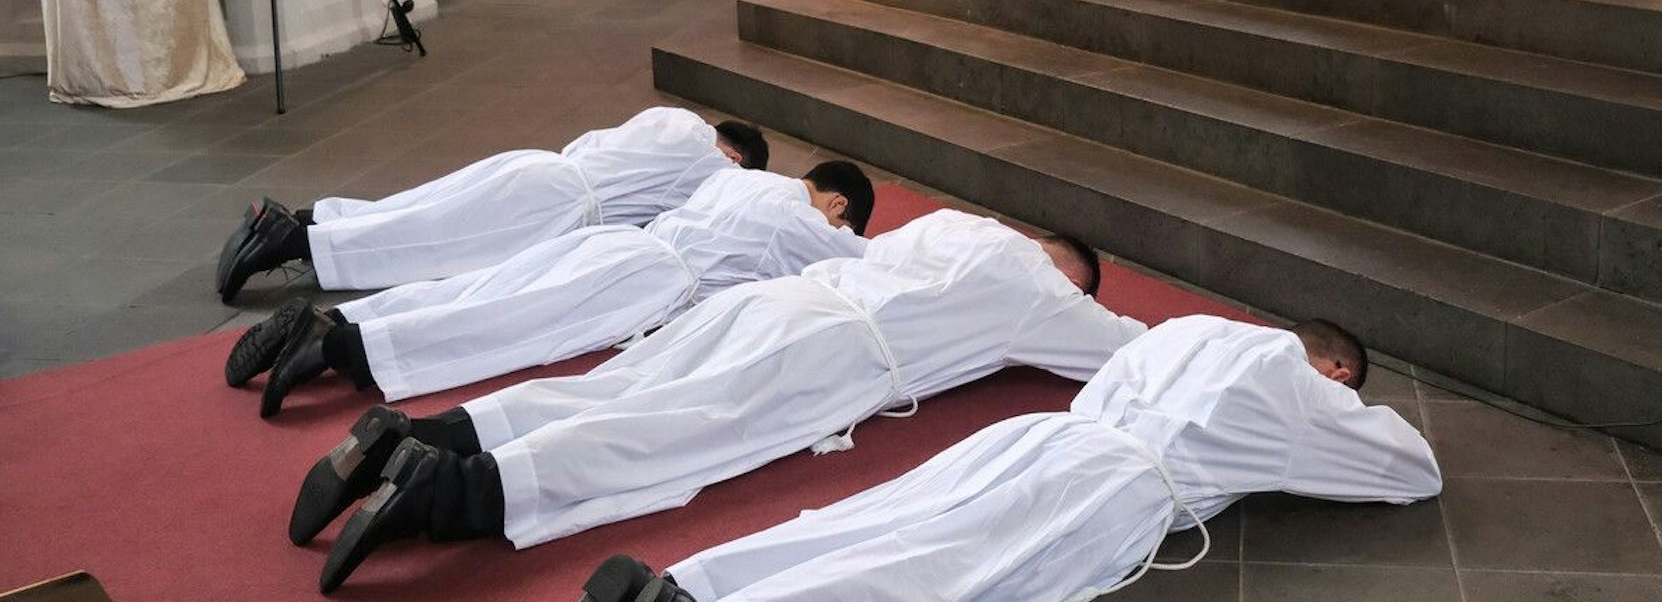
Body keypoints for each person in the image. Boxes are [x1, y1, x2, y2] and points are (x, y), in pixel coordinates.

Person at [297, 211, 1146, 593]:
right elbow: (1126, 343)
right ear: (1067, 271)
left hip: (772, 305)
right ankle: (443, 494)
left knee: (606, 389)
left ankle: (421, 437)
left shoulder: (953, 224)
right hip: (829, 353)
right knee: (658, 439)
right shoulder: (1045, 291)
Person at [586, 314, 1443, 602]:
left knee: (869, 517)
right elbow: (1411, 469)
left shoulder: (1191, 328)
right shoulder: (1297, 382)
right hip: (1107, 482)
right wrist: (1345, 403)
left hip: (1039, 434)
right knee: (931, 570)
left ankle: (691, 580)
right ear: (1332, 365)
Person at [229, 162, 873, 417]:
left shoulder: (743, 180)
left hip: (621, 243)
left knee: (483, 288)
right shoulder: (802, 217)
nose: (835, 227)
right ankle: (338, 347)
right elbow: (866, 262)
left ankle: (338, 318)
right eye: (841, 217)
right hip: (648, 279)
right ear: (837, 202)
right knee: (507, 323)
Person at [214, 108, 768, 302]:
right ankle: (292, 242)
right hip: (559, 205)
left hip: (543, 165)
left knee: (424, 207)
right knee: (435, 241)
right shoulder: (713, 161)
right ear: (736, 155)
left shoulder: (666, 117)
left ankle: (308, 219)